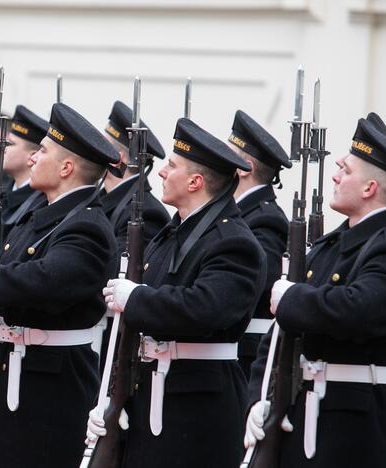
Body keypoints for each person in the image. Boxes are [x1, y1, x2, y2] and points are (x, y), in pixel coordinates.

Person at [246, 115, 386, 467]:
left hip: (355, 422)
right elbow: (279, 334)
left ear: (369, 188)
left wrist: (292, 298)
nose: (335, 175)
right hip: (305, 410)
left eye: (345, 170)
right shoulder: (333, 244)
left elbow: (359, 310)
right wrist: (260, 394)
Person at [0, 102, 119, 468]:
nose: (31, 159)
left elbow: (48, 280)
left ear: (66, 167)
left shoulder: (86, 226)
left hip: (51, 384)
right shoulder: (43, 215)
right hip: (14, 371)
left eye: (42, 151)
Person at [92, 117, 265, 468]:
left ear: (195, 181)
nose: (160, 173)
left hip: (197, 403)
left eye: (171, 166)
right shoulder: (176, 232)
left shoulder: (233, 243)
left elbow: (205, 308)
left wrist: (135, 298)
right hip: (152, 393)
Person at [225, 110, 292, 382]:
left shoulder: (266, 218)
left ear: (246, 168)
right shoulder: (241, 212)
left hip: (248, 355)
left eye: (226, 155)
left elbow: (256, 280)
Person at [100, 100, 169, 251]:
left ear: (116, 159)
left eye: (101, 146)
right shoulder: (96, 198)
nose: (95, 150)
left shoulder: (145, 212)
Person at [0, 105, 48, 237]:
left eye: (10, 144)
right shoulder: (3, 193)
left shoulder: (40, 201)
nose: (3, 148)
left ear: (32, 156)